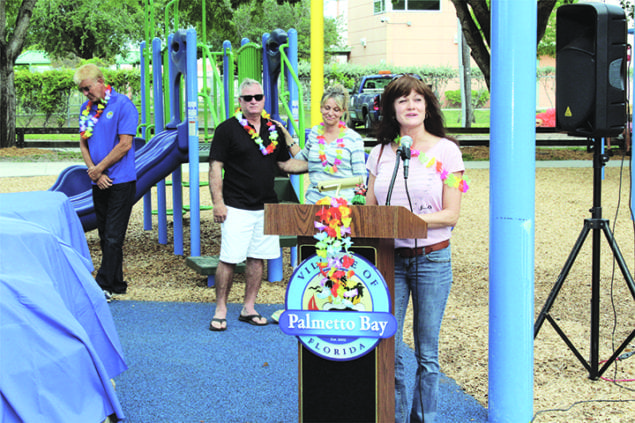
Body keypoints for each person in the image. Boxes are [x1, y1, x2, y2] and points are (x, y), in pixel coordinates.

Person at [365, 75, 467, 423]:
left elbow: (452, 212)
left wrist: (409, 222)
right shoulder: (379, 153)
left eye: (418, 100)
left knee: (427, 349)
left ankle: (424, 418)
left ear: (427, 107)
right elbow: (368, 212)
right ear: (392, 109)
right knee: (387, 342)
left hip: (431, 258)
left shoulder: (447, 151)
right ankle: (389, 414)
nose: (411, 106)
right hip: (389, 259)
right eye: (403, 100)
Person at [208, 78, 308, 331]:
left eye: (258, 97)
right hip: (235, 206)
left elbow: (285, 164)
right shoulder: (226, 129)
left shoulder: (273, 129)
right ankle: (221, 309)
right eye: (247, 98)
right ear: (239, 102)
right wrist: (218, 203)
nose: (253, 101)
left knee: (257, 259)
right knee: (229, 259)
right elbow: (215, 167)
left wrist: (319, 165)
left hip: (266, 207)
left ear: (264, 100)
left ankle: (248, 308)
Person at [73, 64, 139, 301]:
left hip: (120, 181)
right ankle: (117, 283)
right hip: (97, 181)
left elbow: (125, 144)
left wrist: (100, 169)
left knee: (113, 235)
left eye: (87, 88)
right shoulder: (85, 109)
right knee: (105, 236)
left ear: (100, 81)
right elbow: (83, 143)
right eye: (82, 90)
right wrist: (94, 171)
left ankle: (101, 286)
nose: (85, 94)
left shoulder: (123, 105)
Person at [285, 84, 367, 204]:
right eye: (327, 108)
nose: (330, 113)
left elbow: (360, 177)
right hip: (314, 203)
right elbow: (301, 158)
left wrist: (357, 203)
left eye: (336, 109)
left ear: (343, 111)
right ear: (321, 108)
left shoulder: (354, 139)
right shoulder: (314, 133)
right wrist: (285, 135)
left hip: (342, 208)